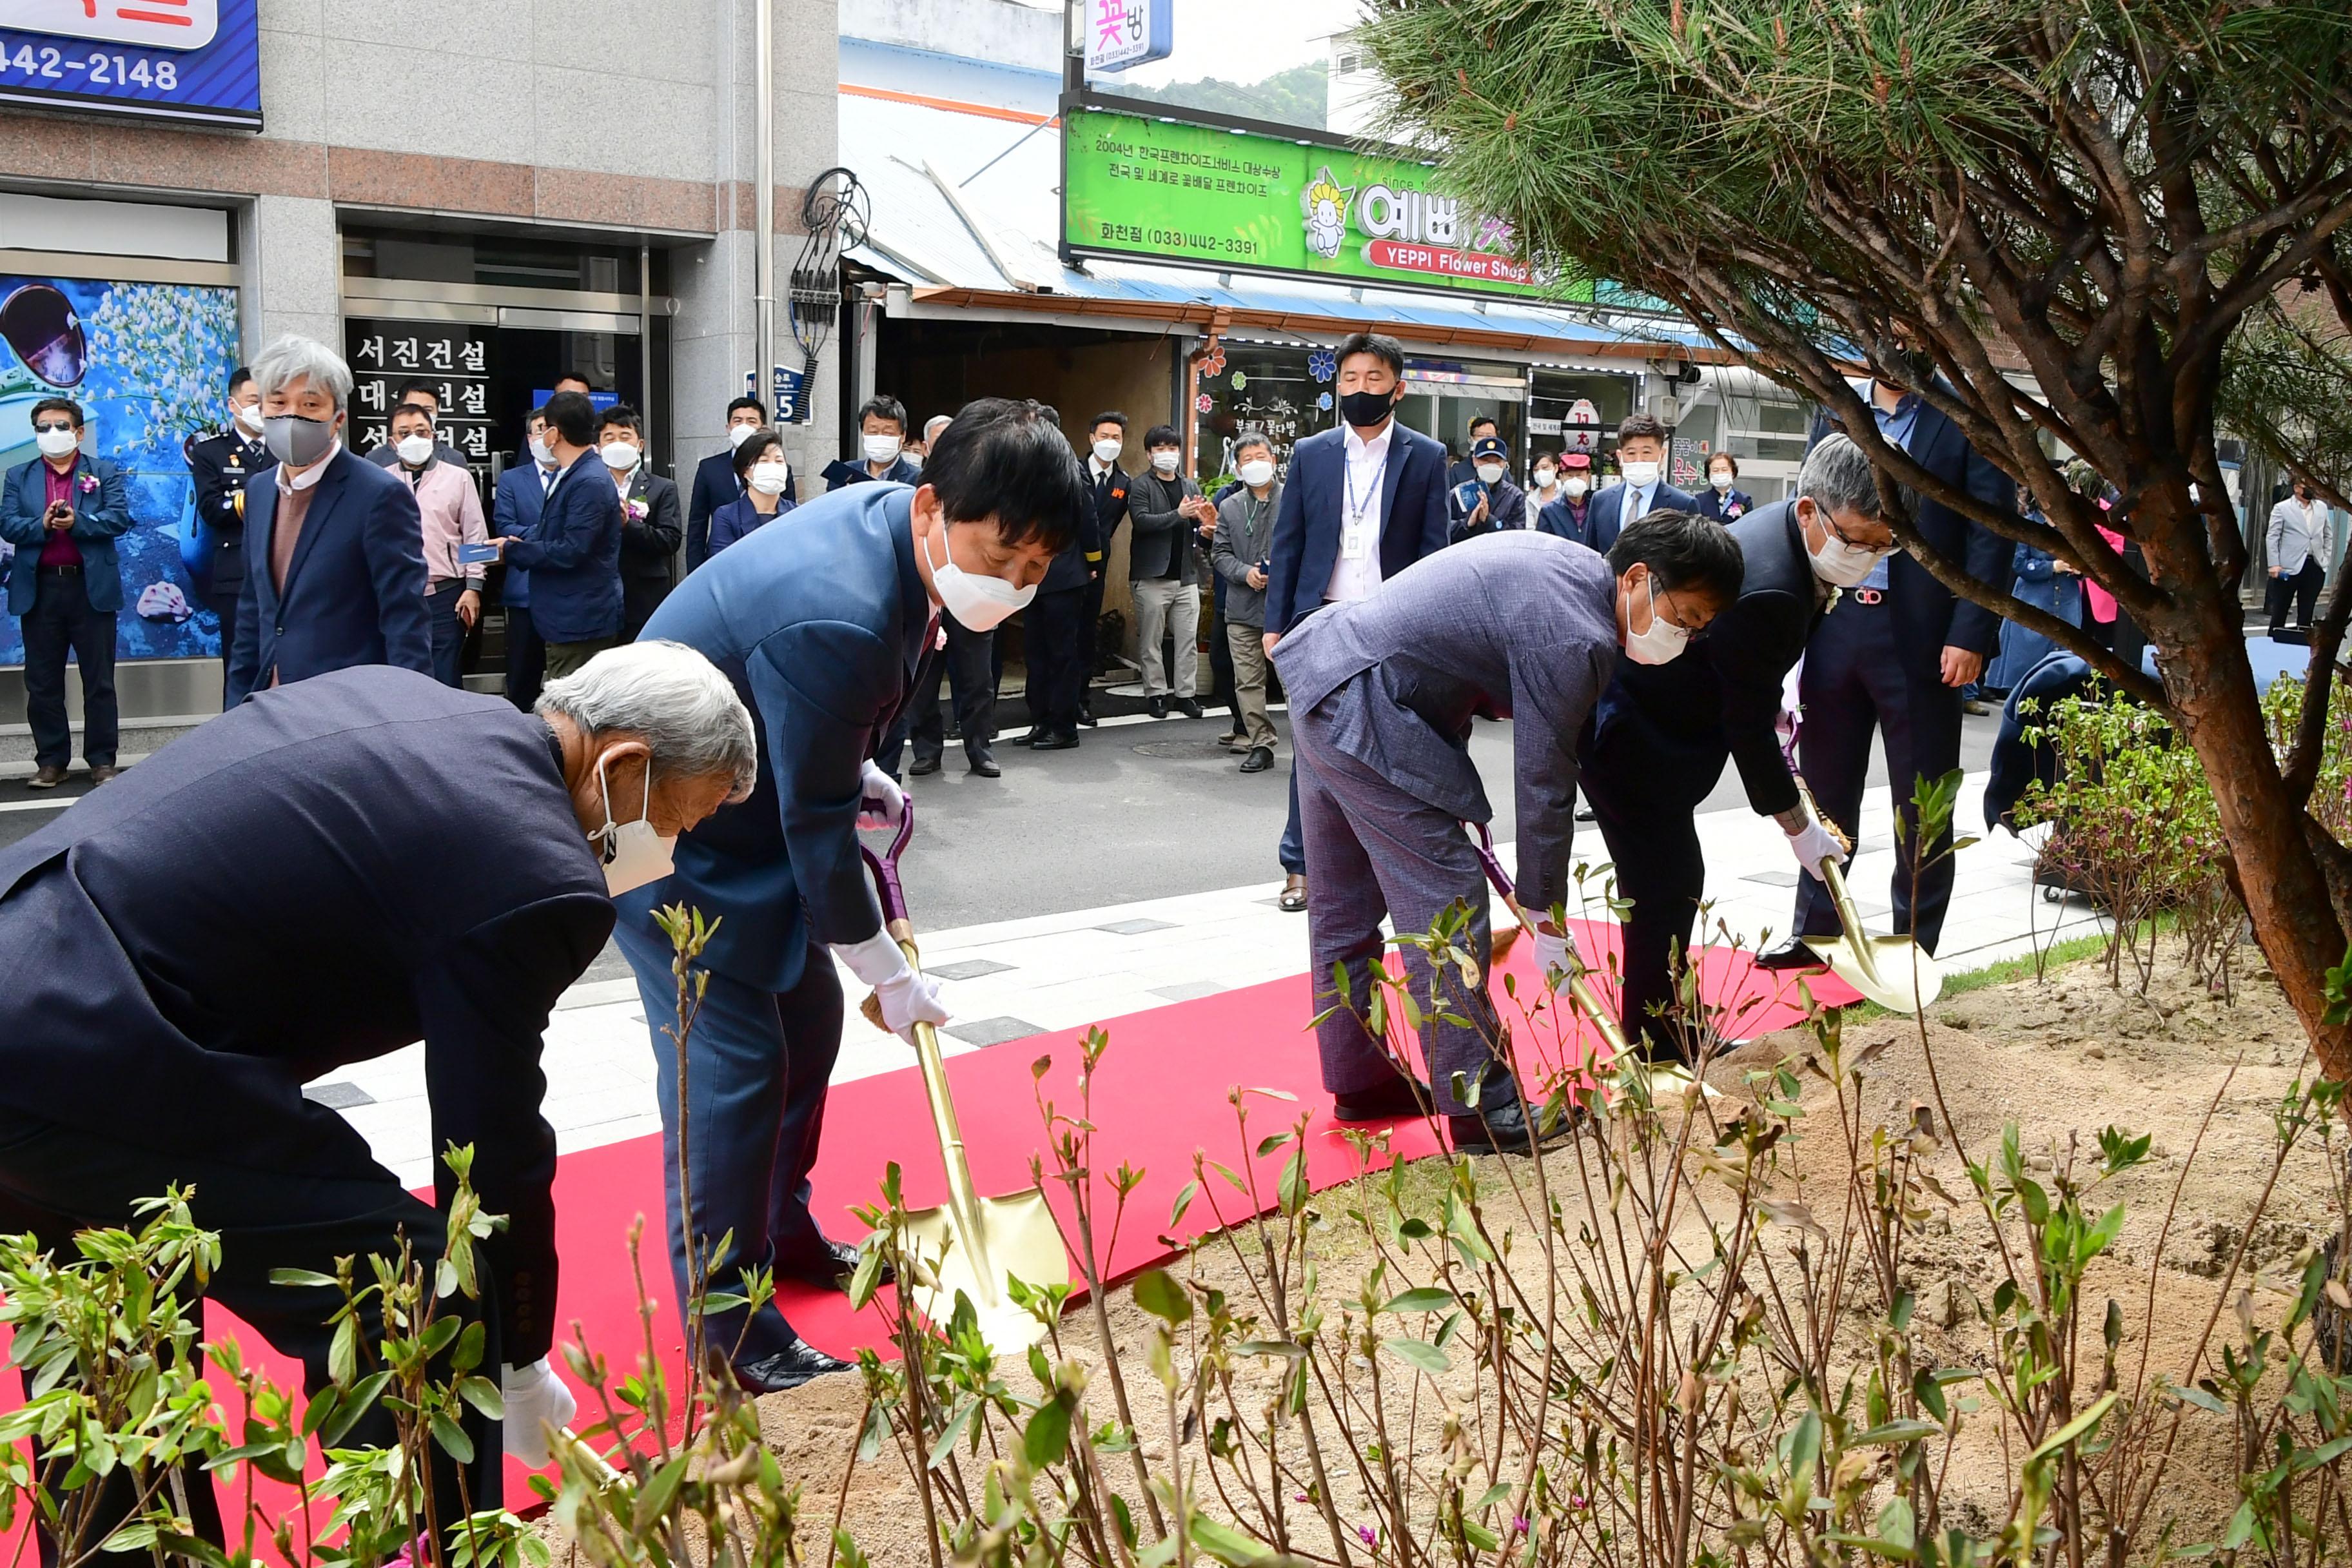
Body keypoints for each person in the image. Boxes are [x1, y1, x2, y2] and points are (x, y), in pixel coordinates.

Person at [0, 648, 754, 1547]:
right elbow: (489, 1143)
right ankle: (439, 1542)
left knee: (116, 1328)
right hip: (100, 1043)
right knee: (412, 1296)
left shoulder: (415, 702)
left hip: (36, 980)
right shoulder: (540, 869)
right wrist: (515, 1351)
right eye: (684, 818)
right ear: (623, 766)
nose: (676, 850)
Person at [616, 397, 1087, 1393]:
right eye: (999, 555)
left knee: (808, 1019)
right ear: (933, 508)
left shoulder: (899, 537)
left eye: (1035, 572)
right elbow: (816, 831)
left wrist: (846, 764)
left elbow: (816, 749)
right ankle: (731, 1327)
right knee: (733, 1057)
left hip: (734, 782)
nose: (1010, 585)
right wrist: (884, 967)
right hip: (648, 817)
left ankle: (779, 1226)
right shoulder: (842, 606)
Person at [1274, 514, 1743, 1152]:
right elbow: (1545, 780)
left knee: (1342, 906)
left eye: (1699, 628)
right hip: (1369, 705)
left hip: (1328, 673)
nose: (1684, 636)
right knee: (1447, 901)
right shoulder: (1576, 634)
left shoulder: (1576, 571)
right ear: (1637, 578)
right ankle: (1482, 1104)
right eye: (1684, 616)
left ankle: (1361, 1079)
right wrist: (1546, 914)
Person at [1580, 436, 1885, 1054]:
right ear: (1810, 512)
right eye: (1858, 542)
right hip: (1639, 735)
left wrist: (1767, 700)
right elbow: (1744, 725)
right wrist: (1797, 825)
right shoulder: (1773, 586)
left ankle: (1665, 1027)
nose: (1869, 558)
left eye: (1885, 546)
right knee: (1667, 884)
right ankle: (1659, 1039)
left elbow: (1748, 691)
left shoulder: (1790, 537)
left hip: (1663, 721)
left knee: (1671, 882)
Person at [1762, 377, 2014, 969]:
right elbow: (1810, 512)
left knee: (1922, 801)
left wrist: (1970, 632)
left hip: (1924, 635)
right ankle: (1817, 930)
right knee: (1825, 789)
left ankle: (1913, 945)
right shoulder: (1837, 406)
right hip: (1838, 622)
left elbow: (1992, 532)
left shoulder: (1964, 415)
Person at [1263, 331, 1453, 914]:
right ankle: (1300, 866)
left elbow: (1433, 548)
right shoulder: (1313, 453)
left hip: (1392, 622)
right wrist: (1277, 624)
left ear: (1397, 389)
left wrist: (1429, 628)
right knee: (1314, 750)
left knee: (1395, 746)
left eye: (1373, 379)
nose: (1360, 389)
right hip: (1320, 619)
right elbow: (1288, 541)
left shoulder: (1425, 456)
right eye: (1349, 379)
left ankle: (1382, 859)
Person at [226, 336, 432, 708]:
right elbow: (252, 610)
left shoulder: (378, 494)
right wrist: (235, 708)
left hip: (347, 709)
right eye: (278, 402)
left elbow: (405, 618)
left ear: (338, 418)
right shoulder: (258, 491)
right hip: (267, 706)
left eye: (309, 404)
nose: (291, 416)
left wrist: (410, 717)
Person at [2, 398, 132, 788]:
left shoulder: (102, 472)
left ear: (78, 432)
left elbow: (119, 518)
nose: (51, 434)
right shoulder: (17, 476)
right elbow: (9, 524)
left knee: (99, 680)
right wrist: (41, 524)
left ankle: (102, 760)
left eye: (59, 426)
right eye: (42, 427)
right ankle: (52, 761)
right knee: (42, 682)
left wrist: (80, 521)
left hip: (90, 588)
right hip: (40, 589)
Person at [493, 389, 623, 680]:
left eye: (545, 429)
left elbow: (571, 550)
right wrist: (513, 543)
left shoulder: (589, 479)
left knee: (570, 709)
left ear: (555, 434)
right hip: (565, 615)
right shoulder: (569, 473)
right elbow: (553, 531)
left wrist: (511, 552)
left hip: (580, 618)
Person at [186, 365, 275, 696]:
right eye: (254, 400)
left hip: (285, 571)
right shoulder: (211, 452)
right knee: (241, 666)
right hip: (236, 573)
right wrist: (258, 496)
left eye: (268, 400)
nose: (261, 408)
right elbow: (211, 510)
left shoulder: (286, 449)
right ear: (233, 405)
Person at [389, 400, 487, 688]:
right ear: (393, 443)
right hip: (399, 594)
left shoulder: (458, 478)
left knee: (446, 676)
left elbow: (475, 536)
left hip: (447, 594)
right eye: (404, 433)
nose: (414, 439)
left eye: (421, 431)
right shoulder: (381, 482)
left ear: (433, 435)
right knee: (403, 677)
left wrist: (473, 588)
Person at [1211, 431, 1282, 772]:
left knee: (1293, 680)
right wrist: (1245, 573)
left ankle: (1313, 747)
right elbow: (1220, 554)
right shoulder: (1229, 506)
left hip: (1285, 609)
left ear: (1274, 460)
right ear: (1238, 468)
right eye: (1247, 460)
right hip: (1241, 607)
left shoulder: (1295, 499)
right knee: (1249, 680)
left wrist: (1279, 572)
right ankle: (1261, 743)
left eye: (1261, 457)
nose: (1255, 465)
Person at [1128, 424, 1209, 720]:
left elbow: (1198, 529)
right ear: (1149, 455)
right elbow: (1142, 522)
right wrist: (1178, 515)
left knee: (1187, 640)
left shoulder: (1190, 486)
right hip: (1152, 577)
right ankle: (1156, 694)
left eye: (1172, 449)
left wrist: (1206, 526)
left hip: (1186, 576)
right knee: (1151, 641)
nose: (1167, 455)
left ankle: (1186, 695)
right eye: (1160, 449)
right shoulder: (1140, 486)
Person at [600, 404, 683, 641]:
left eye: (625, 437)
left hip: (643, 596)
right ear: (598, 446)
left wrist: (630, 525)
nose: (617, 443)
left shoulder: (662, 487)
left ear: (640, 445)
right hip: (598, 598)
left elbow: (670, 540)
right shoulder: (589, 486)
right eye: (609, 437)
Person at [494, 407, 558, 710]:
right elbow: (506, 528)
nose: (545, 436)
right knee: (522, 678)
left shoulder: (577, 475)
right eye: (539, 429)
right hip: (525, 593)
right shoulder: (512, 480)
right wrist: (552, 531)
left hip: (567, 593)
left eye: (551, 428)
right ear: (530, 437)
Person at [687, 397, 794, 570]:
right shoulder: (709, 468)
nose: (744, 426)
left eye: (751, 421)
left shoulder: (791, 506)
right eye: (738, 421)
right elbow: (698, 524)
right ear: (728, 427)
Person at [1078, 412, 1130, 730]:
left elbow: (1110, 525)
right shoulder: (1074, 471)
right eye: (1105, 436)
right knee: (1060, 636)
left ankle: (1081, 701)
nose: (1111, 443)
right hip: (1068, 566)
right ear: (1091, 438)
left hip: (1098, 567)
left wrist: (1097, 560)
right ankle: (1048, 703)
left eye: (1117, 438)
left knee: (1086, 634)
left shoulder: (1123, 482)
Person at [1585, 414, 1700, 551]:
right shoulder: (1601, 500)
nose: (1639, 460)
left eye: (1646, 452)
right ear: (1620, 457)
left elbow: (1692, 559)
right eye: (1631, 453)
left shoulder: (1683, 505)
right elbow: (1590, 555)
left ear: (1662, 455)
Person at [705, 427, 796, 558]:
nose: (774, 466)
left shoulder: (797, 514)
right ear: (746, 471)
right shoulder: (727, 516)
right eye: (764, 461)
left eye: (779, 461)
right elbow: (724, 565)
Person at [2268, 478, 2335, 639]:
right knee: (2280, 611)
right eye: (2308, 486)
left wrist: (2325, 559)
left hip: (2314, 565)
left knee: (2307, 612)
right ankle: (2273, 645)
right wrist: (2274, 564)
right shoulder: (2282, 508)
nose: (2312, 489)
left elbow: (2327, 535)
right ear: (2297, 488)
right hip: (2288, 567)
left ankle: (2302, 648)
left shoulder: (2321, 508)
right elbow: (2272, 537)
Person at [821, 395, 920, 491]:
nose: (880, 437)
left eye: (888, 433)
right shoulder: (845, 472)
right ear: (863, 434)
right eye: (873, 432)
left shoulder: (917, 478)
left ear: (902, 436)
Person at [366, 377, 467, 470]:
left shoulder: (455, 459)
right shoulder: (374, 460)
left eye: (427, 409)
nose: (420, 414)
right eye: (412, 409)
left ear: (437, 410)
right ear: (398, 409)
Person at [1449, 432, 1528, 541]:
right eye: (1486, 461)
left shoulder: (1515, 497)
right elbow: (1443, 529)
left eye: (1497, 461)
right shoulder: (1457, 493)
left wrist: (1489, 520)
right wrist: (1467, 524)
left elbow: (1517, 537)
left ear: (1504, 464)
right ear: (1475, 461)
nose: (1491, 466)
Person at [1534, 452, 1600, 547]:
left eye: (1579, 475)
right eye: (1570, 476)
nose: (1575, 480)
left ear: (1588, 478)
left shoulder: (1597, 508)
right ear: (1562, 478)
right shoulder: (1549, 511)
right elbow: (1542, 546)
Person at [1446, 413, 1501, 491]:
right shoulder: (1456, 473)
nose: (1485, 440)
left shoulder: (1501, 472)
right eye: (1480, 435)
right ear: (1471, 439)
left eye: (1489, 436)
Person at [1696, 452, 1754, 522]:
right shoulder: (1699, 500)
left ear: (1733, 473)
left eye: (1724, 470)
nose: (1720, 473)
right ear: (1709, 475)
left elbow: (1748, 525)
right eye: (1715, 470)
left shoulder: (1744, 500)